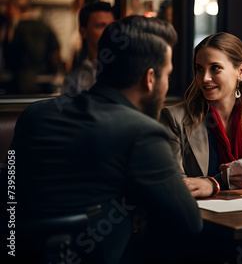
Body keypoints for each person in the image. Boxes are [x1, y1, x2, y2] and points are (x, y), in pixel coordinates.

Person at [6, 16, 202, 263]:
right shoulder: (142, 133)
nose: (166, 85)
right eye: (167, 76)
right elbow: (189, 223)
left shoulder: (35, 114)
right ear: (150, 79)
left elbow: (9, 190)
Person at [160, 32, 242, 197]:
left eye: (215, 68)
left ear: (241, 72)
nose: (204, 78)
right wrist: (217, 181)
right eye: (199, 69)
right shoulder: (174, 117)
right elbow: (171, 185)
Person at [4, 0, 61, 94]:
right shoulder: (44, 26)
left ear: (15, 9)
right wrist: (53, 70)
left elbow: (9, 54)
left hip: (21, 80)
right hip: (45, 77)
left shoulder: (15, 29)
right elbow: (56, 51)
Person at [62, 1, 115, 94]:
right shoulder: (74, 80)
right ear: (83, 32)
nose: (108, 31)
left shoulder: (124, 72)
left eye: (112, 26)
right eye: (100, 26)